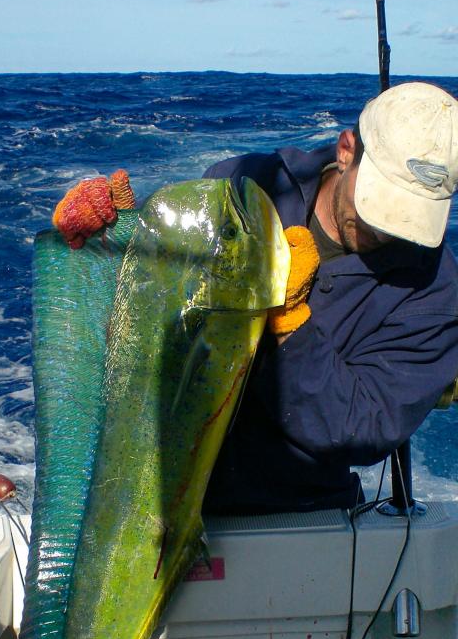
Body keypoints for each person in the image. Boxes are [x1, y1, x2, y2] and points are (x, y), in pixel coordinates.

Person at [53, 82, 458, 514]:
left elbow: (362, 427)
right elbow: (143, 305)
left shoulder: (437, 288)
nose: (388, 229)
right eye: (380, 203)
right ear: (346, 150)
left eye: (411, 215)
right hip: (156, 486)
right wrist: (109, 239)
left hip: (297, 511)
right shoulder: (240, 187)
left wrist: (289, 325)